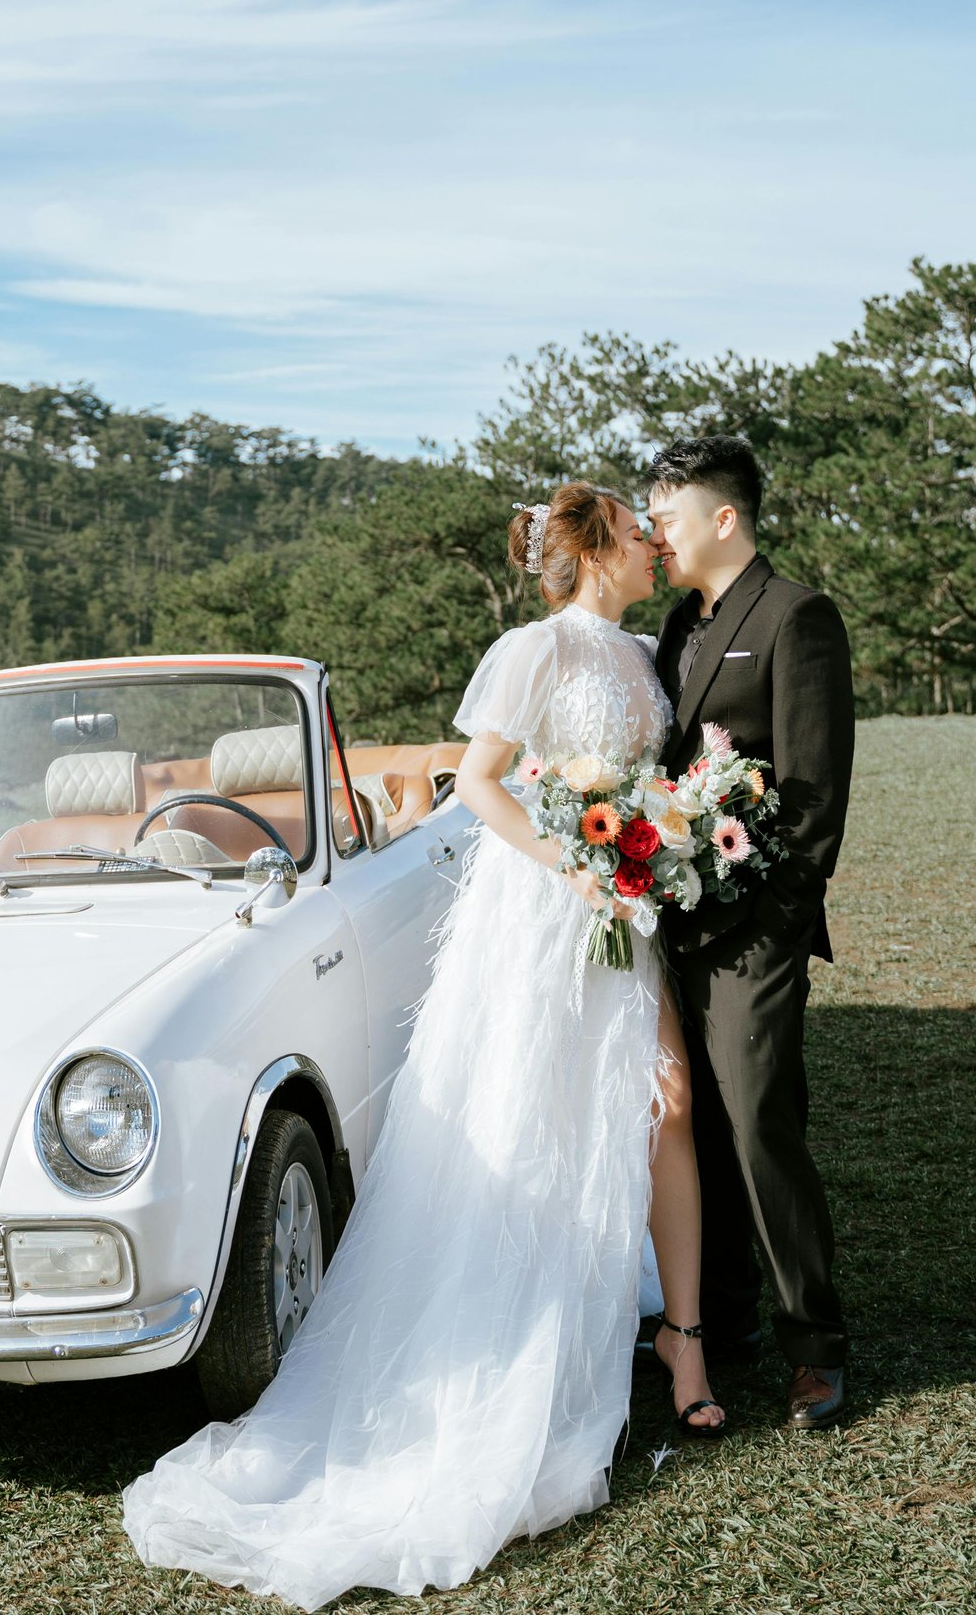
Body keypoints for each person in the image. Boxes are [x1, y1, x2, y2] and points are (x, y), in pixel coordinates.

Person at [120, 483, 720, 1610]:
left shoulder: (645, 653)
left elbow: (646, 779)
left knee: (665, 1102)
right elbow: (481, 783)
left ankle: (681, 1341)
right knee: (544, 1117)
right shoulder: (532, 651)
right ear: (594, 549)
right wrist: (575, 867)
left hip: (622, 903)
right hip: (545, 910)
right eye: (637, 531)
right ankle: (529, 1333)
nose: (652, 543)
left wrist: (656, 842)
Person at [643, 434, 855, 1431]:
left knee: (762, 1122)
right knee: (696, 1135)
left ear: (722, 518)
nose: (657, 535)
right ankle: (715, 1326)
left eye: (669, 517)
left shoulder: (796, 616)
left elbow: (812, 798)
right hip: (666, 928)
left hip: (751, 930)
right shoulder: (676, 626)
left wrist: (766, 924)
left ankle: (814, 1347)